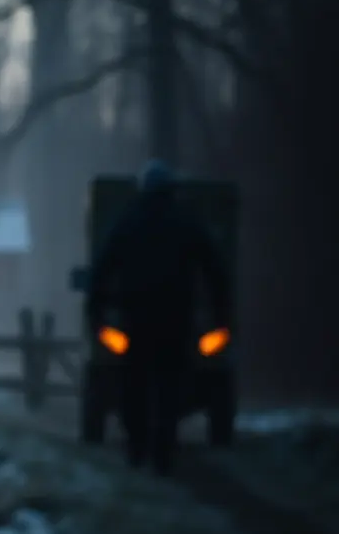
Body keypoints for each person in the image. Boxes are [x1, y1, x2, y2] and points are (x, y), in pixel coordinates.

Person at [86, 160, 232, 475]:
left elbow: (101, 271)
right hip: (176, 321)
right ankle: (162, 454)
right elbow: (215, 270)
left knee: (133, 385)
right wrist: (221, 315)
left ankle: (137, 448)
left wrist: (97, 316)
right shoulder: (187, 222)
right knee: (169, 387)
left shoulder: (127, 222)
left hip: (135, 321)